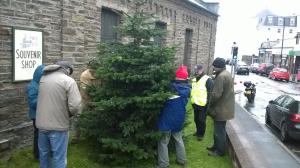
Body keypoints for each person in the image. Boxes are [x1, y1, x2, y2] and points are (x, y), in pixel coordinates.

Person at [36, 61, 82, 168]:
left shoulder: (43, 79)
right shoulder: (68, 81)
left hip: (42, 125)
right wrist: (70, 114)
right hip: (59, 126)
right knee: (59, 158)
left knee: (44, 156)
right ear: (67, 69)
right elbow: (75, 106)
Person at [157, 66, 191, 168]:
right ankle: (182, 160)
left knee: (163, 141)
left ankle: (163, 164)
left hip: (167, 118)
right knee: (178, 139)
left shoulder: (171, 88)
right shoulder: (188, 88)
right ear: (185, 78)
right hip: (179, 118)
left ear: (176, 76)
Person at [207, 57, 235, 157]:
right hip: (225, 108)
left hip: (221, 109)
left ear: (218, 66)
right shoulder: (226, 73)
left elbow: (216, 95)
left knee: (219, 131)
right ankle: (216, 146)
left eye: (214, 66)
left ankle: (219, 152)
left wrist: (209, 105)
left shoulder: (221, 77)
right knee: (218, 129)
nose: (213, 68)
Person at [191, 64, 213, 141]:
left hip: (203, 105)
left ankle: (201, 134)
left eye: (198, 70)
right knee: (196, 119)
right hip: (195, 103)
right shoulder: (194, 79)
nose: (196, 71)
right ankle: (198, 131)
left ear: (202, 70)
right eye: (196, 70)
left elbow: (210, 93)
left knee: (201, 120)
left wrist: (208, 104)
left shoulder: (208, 79)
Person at [27, 64, 45, 159]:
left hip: (40, 114)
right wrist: (44, 97)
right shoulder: (33, 86)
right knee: (38, 135)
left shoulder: (40, 84)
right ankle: (37, 155)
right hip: (36, 115)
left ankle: (41, 154)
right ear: (39, 74)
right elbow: (32, 103)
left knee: (41, 135)